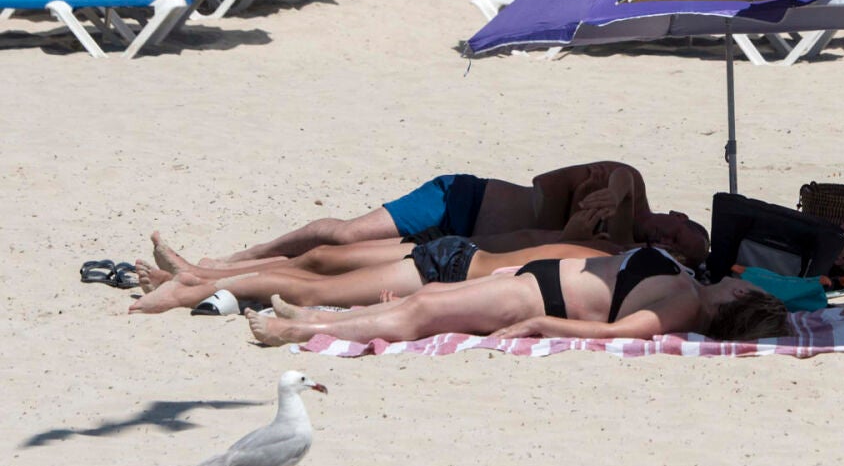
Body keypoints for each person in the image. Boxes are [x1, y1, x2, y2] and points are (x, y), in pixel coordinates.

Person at [156, 161, 705, 269]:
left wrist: (577, 232)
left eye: (681, 251)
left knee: (334, 259)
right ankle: (239, 257)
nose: (673, 242)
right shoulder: (626, 187)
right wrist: (612, 196)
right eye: (684, 232)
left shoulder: (617, 253)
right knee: (344, 234)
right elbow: (614, 175)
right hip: (461, 200)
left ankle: (217, 274)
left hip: (461, 248)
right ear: (677, 213)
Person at [246, 246, 791, 346]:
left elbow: (615, 332)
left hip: (534, 303)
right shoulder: (691, 283)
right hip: (531, 279)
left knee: (424, 311)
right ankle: (314, 312)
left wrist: (541, 326)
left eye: (748, 287)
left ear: (738, 299)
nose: (744, 278)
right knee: (431, 294)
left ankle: (302, 329)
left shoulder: (684, 306)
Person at [128, 237, 620, 314]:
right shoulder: (609, 261)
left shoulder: (607, 261)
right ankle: (193, 284)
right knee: (314, 276)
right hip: (450, 263)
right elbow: (517, 275)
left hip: (455, 260)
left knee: (314, 278)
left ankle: (191, 285)